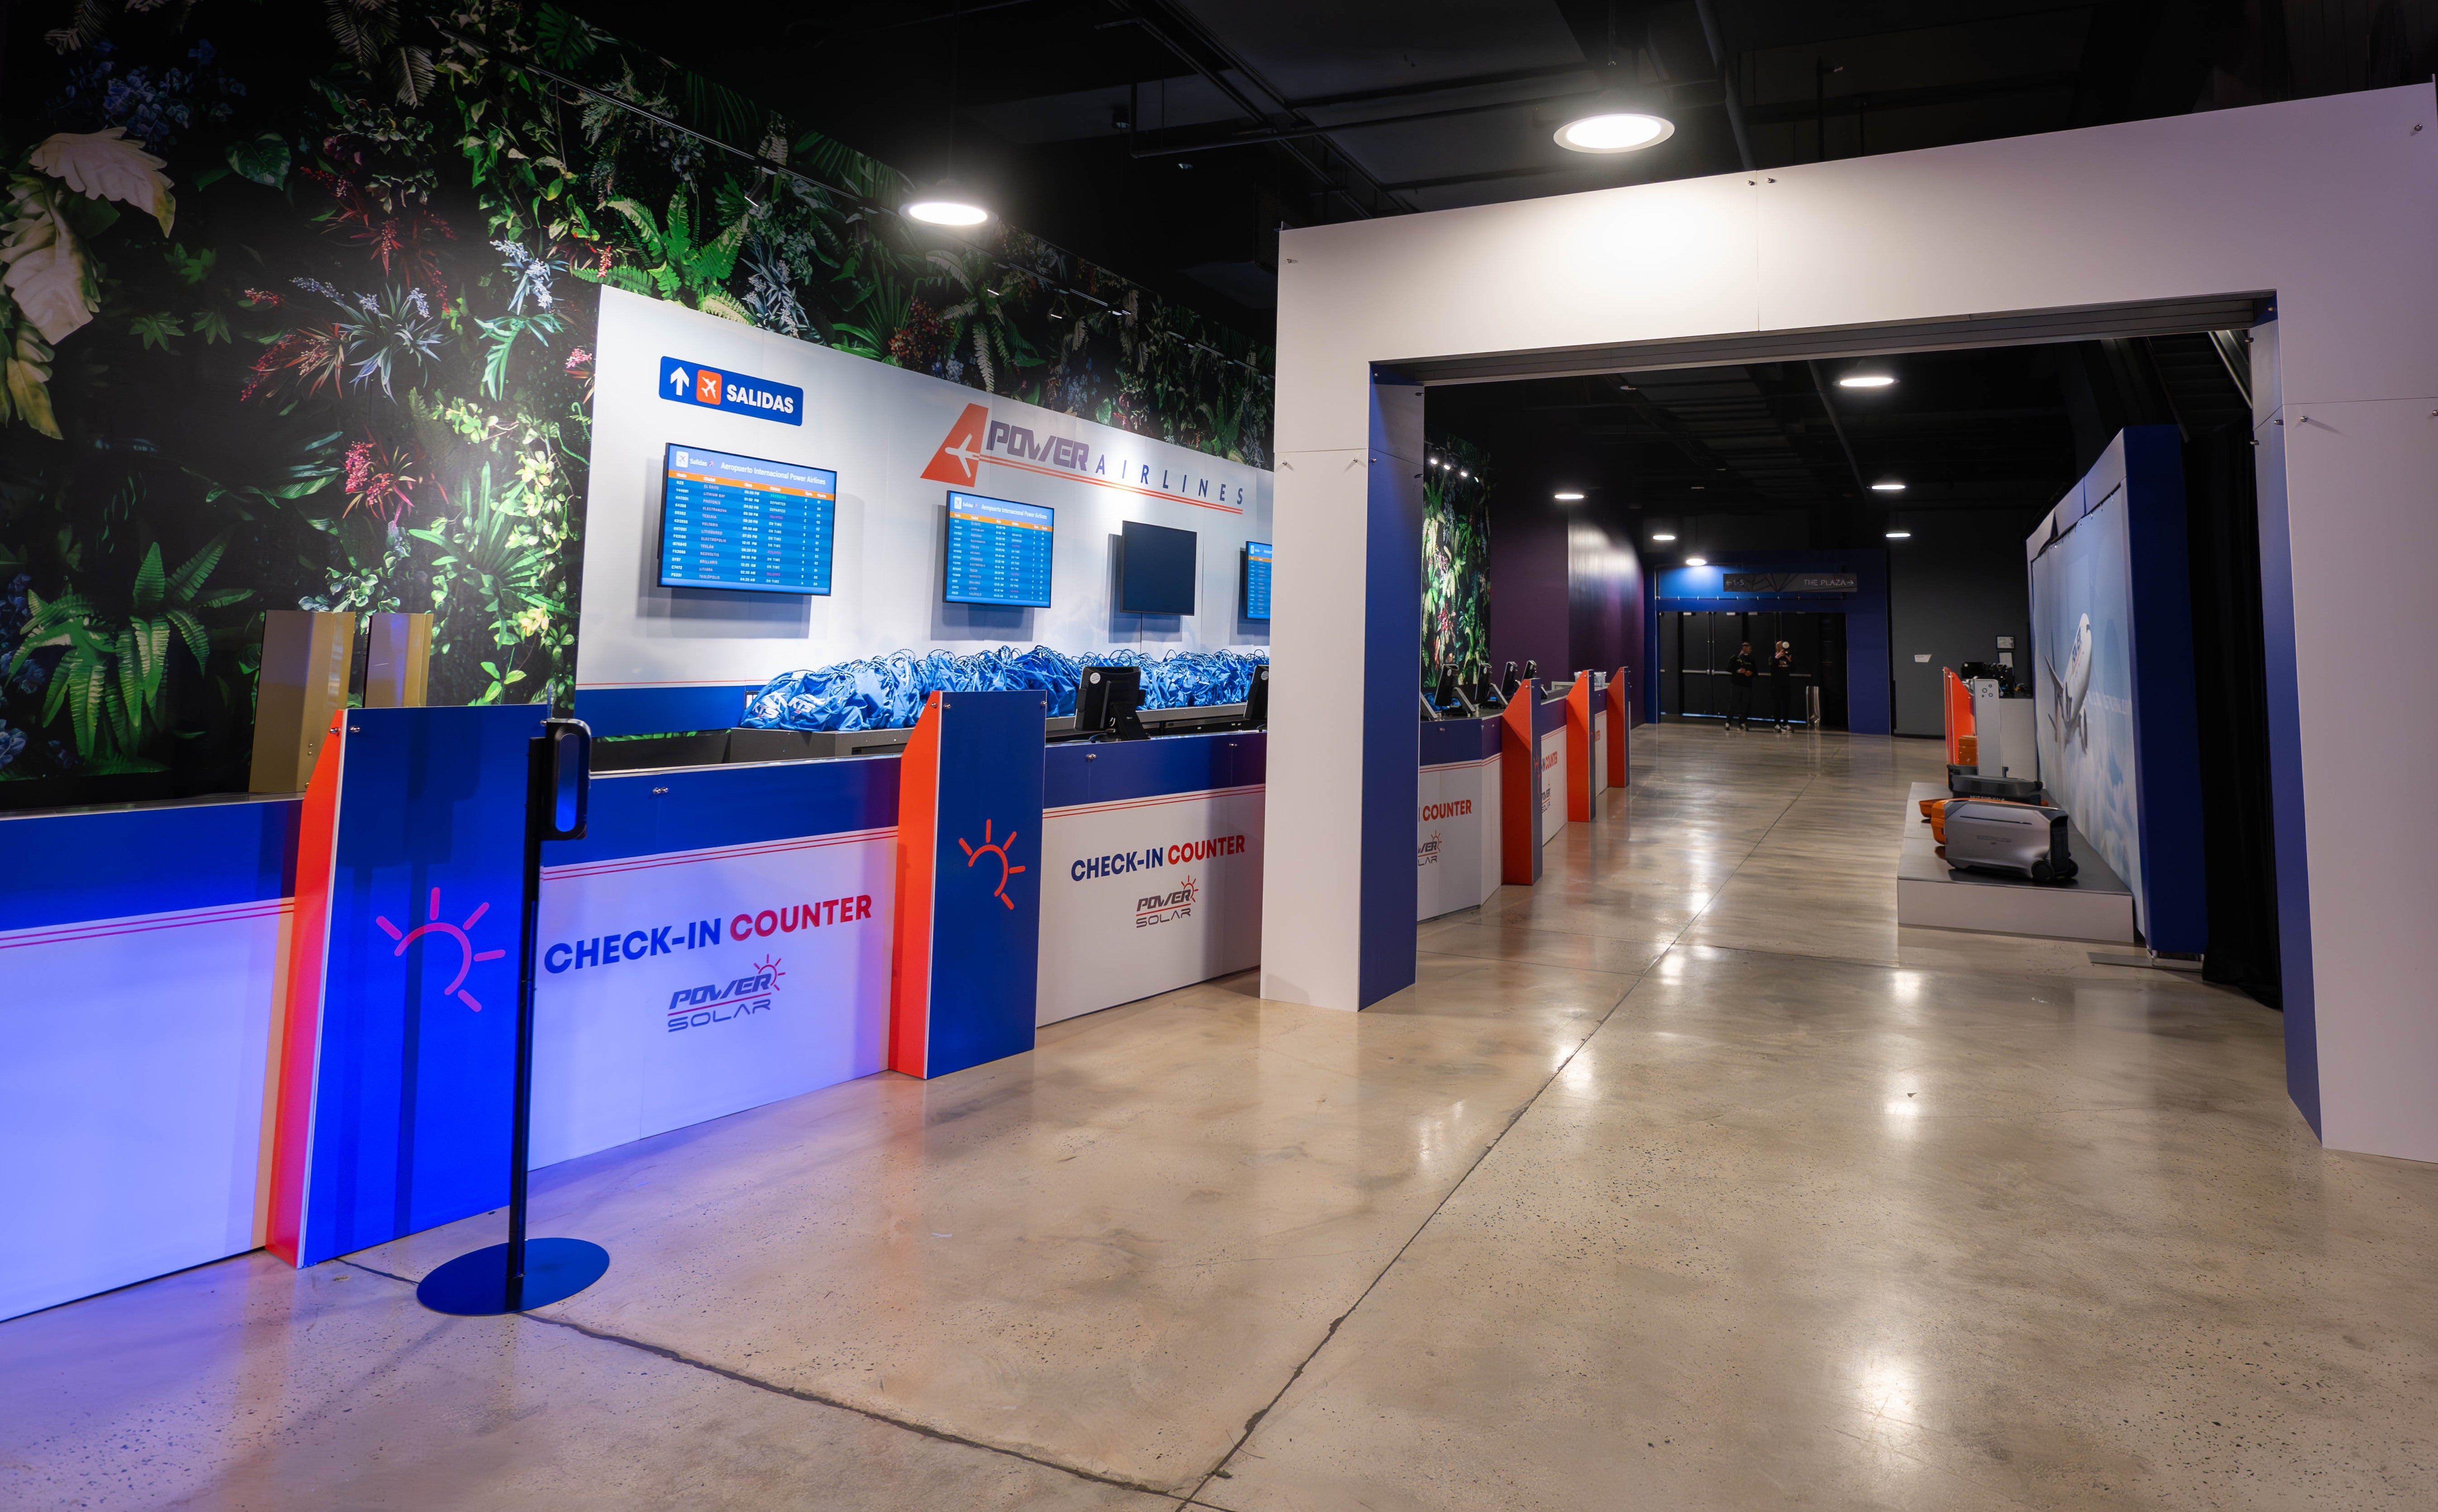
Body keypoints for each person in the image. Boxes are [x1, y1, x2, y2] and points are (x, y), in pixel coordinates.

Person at [1726, 640, 1756, 731]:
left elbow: (1756, 672)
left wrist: (1751, 673)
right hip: (1736, 684)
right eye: (1749, 648)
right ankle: (1728, 722)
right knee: (1733, 703)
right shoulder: (1735, 658)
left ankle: (1742, 723)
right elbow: (1729, 669)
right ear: (1744, 648)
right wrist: (1738, 671)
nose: (1750, 650)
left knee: (1745, 705)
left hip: (1747, 685)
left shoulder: (1751, 660)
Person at [1769, 640, 1794, 730]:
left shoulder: (1786, 657)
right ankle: (1777, 723)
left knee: (1786, 704)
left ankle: (1786, 723)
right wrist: (1778, 657)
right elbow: (1772, 667)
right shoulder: (1773, 657)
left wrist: (1790, 661)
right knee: (1777, 705)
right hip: (1777, 685)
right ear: (1777, 647)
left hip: (1786, 684)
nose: (1783, 648)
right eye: (1781, 646)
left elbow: (1794, 669)